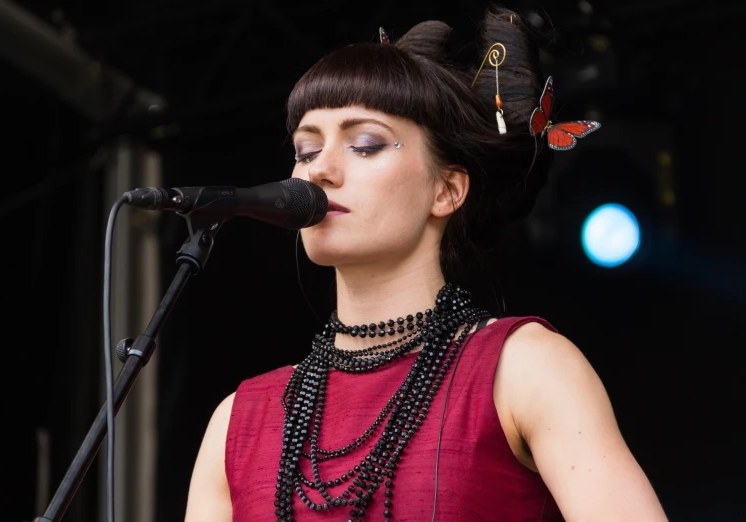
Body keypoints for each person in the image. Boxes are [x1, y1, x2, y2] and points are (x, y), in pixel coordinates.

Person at [184, 5, 668, 521]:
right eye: (305, 149)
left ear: (447, 190)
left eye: (365, 144)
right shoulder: (240, 420)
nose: (320, 169)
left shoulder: (526, 370)